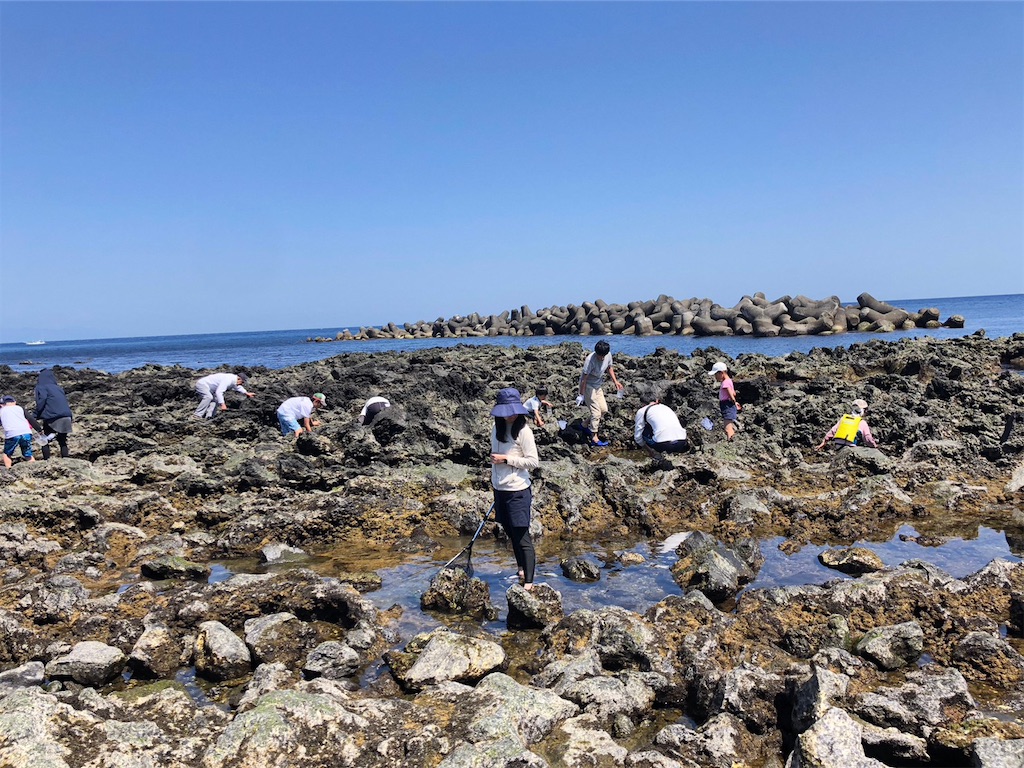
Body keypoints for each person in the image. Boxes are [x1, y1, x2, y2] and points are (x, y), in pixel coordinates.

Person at [489, 388, 540, 590]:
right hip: (500, 489)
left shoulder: (524, 431)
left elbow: (533, 462)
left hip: (518, 490)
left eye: (512, 410)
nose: (510, 415)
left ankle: (529, 583)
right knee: (510, 532)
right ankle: (520, 569)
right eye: (506, 411)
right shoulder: (496, 428)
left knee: (521, 535)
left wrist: (506, 459)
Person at [577, 340, 623, 447]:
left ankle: (584, 425)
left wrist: (615, 382)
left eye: (604, 356)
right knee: (596, 413)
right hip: (588, 386)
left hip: (598, 385)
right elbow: (584, 379)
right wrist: (581, 395)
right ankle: (594, 438)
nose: (602, 358)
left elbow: (609, 368)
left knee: (603, 410)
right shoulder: (590, 360)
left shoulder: (608, 355)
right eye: (600, 355)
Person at [33, 368, 73, 459]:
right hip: (67, 416)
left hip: (53, 417)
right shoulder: (58, 388)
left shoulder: (41, 387)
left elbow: (41, 401)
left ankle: (47, 460)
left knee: (44, 440)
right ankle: (66, 460)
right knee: (62, 441)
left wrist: (35, 415)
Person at [709, 362, 741, 441]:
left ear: (721, 373)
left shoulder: (725, 383)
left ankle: (731, 442)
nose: (715, 377)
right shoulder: (729, 381)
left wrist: (733, 402)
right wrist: (735, 403)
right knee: (729, 426)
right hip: (728, 405)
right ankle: (731, 440)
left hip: (727, 406)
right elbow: (734, 393)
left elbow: (731, 395)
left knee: (727, 428)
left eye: (716, 374)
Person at [2, 396, 36, 468]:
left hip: (12, 433)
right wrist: (39, 429)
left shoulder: (2, 410)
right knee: (28, 454)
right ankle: (34, 468)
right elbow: (30, 418)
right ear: (14, 402)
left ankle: (8, 470)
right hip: (26, 432)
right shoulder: (20, 408)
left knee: (7, 454)